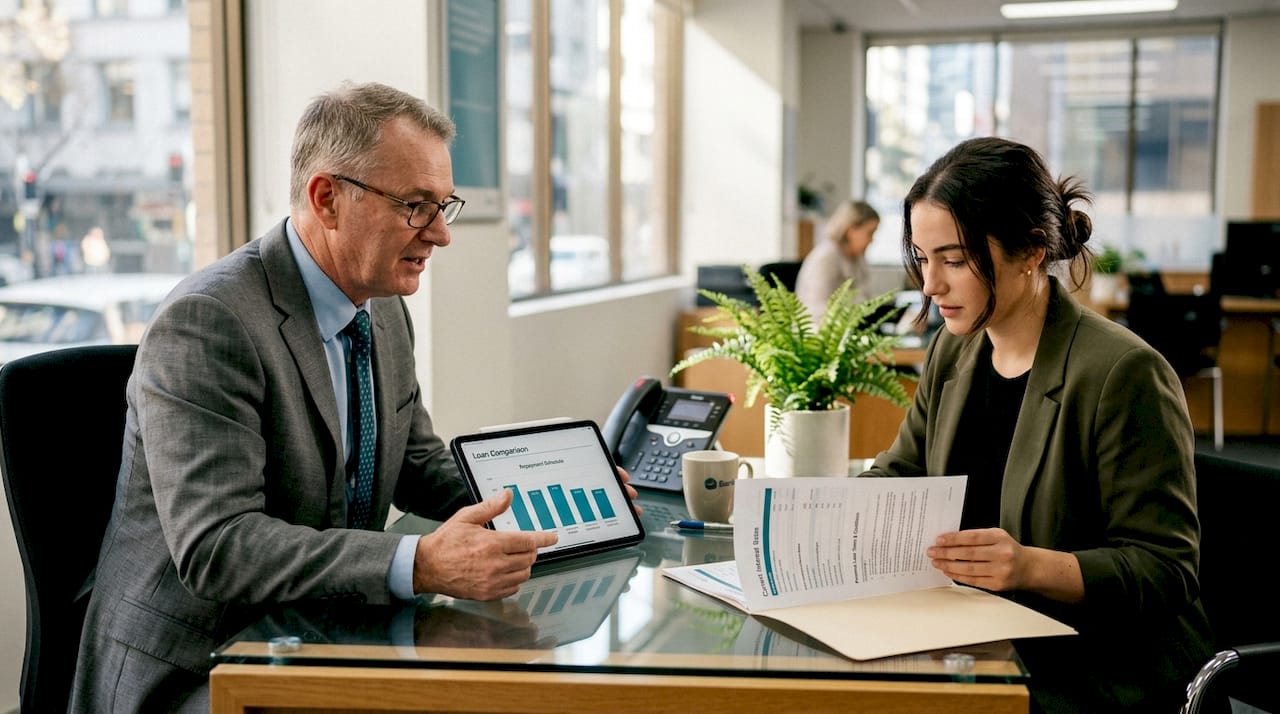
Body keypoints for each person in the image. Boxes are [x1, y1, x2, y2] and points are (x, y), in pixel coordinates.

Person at [71, 81, 635, 712]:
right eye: (415, 206)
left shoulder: (382, 308)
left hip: (324, 633)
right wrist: (419, 562)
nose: (440, 235)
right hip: (202, 666)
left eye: (442, 205)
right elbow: (218, 546)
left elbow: (417, 464)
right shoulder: (209, 321)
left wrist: (548, 495)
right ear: (327, 198)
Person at [861, 136, 1212, 713]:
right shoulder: (954, 354)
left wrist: (1028, 566)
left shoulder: (1122, 373)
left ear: (1029, 251)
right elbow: (900, 472)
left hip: (1096, 669)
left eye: (954, 260)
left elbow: (1166, 569)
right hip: (978, 642)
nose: (930, 285)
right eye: (923, 260)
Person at [795, 198, 879, 319]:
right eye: (870, 233)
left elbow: (867, 297)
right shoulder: (825, 258)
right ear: (851, 230)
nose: (872, 240)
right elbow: (817, 310)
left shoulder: (859, 258)